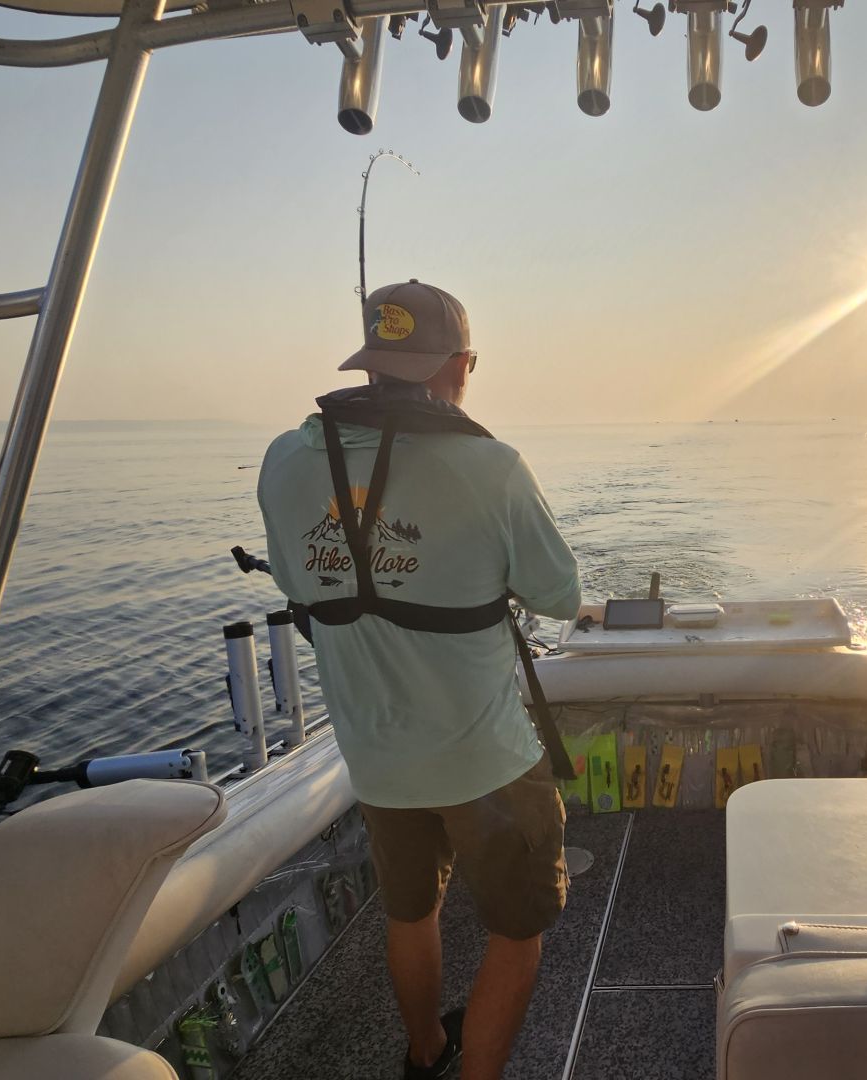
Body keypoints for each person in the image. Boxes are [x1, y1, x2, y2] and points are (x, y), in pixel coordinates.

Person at [258, 280, 581, 1080]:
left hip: (375, 759)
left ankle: (427, 1052)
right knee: (517, 930)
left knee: (411, 912)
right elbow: (559, 596)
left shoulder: (285, 459)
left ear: (369, 363)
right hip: (486, 761)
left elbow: (297, 584)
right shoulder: (491, 467)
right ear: (460, 363)